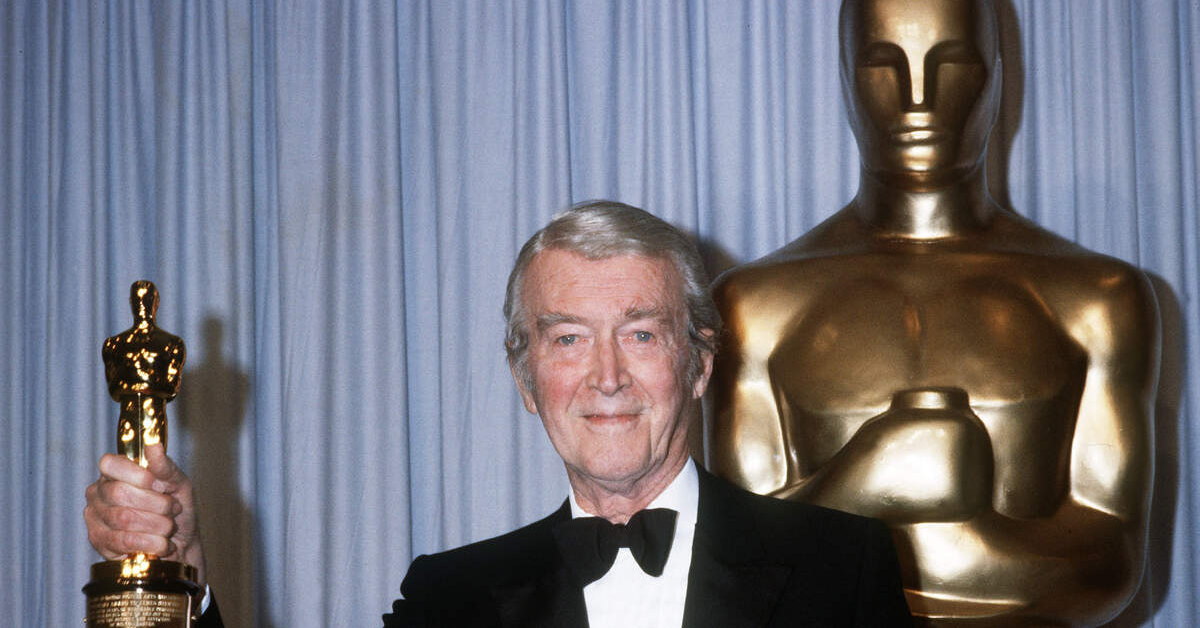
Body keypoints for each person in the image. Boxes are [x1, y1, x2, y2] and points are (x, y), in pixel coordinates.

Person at [85, 200, 913, 627]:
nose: (607, 377)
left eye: (640, 333)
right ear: (525, 378)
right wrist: (182, 578)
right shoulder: (451, 598)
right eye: (567, 339)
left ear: (698, 362)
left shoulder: (841, 568)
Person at [707, 0, 1160, 626]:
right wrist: (869, 475)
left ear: (996, 76)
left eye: (952, 62)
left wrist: (962, 536)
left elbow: (1112, 564)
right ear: (845, 78)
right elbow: (741, 573)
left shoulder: (1097, 299)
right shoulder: (753, 306)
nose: (917, 98)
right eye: (882, 64)